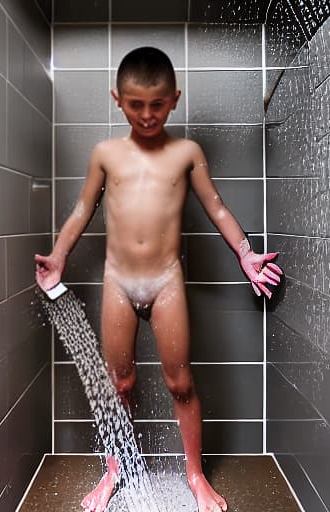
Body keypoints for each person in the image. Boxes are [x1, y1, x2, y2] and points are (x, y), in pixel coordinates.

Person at [35, 47, 282, 512]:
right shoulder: (106, 154)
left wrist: (246, 255)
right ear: (117, 99)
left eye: (157, 104)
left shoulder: (187, 152)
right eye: (135, 104)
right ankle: (114, 472)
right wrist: (58, 256)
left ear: (174, 99)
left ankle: (195, 476)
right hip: (118, 283)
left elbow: (218, 208)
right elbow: (82, 211)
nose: (146, 115)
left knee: (181, 383)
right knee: (119, 384)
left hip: (167, 282)